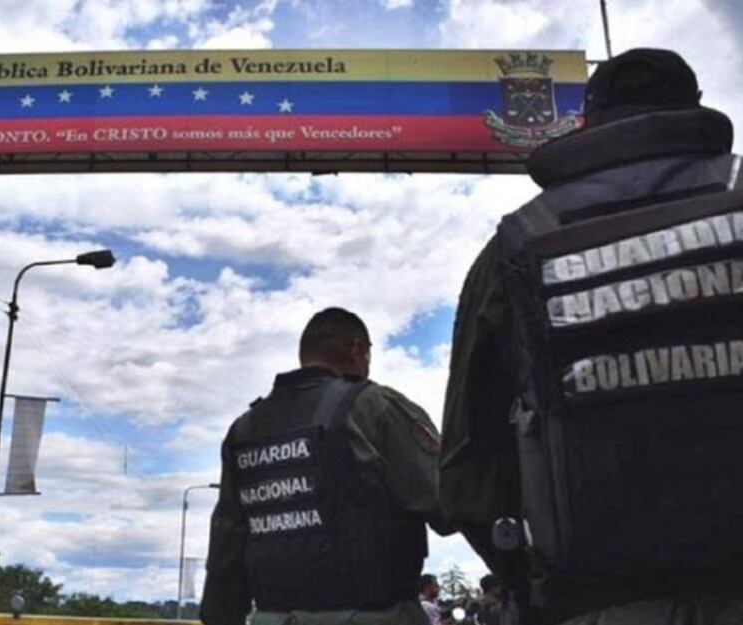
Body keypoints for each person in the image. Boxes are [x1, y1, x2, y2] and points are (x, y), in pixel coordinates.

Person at [440, 47, 743, 625]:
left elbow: (466, 476)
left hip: (595, 599)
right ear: (696, 105)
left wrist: (534, 587)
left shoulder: (515, 247)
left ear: (585, 121)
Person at [201, 307, 453, 625]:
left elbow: (227, 543)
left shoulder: (244, 430)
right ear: (357, 350)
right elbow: (450, 502)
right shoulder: (374, 406)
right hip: (375, 615)